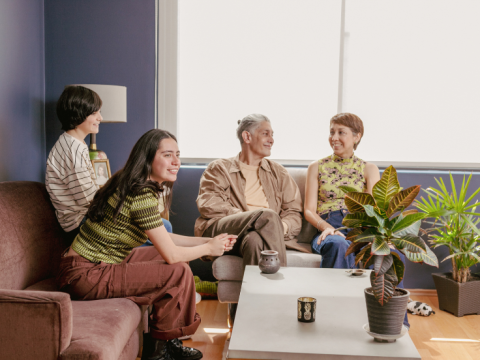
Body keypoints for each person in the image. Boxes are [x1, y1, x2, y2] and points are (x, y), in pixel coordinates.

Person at [55, 129, 237, 360]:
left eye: (177, 155)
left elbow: (164, 238)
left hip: (95, 264)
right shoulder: (140, 193)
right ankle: (158, 352)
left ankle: (165, 342)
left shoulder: (136, 184)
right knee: (177, 269)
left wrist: (208, 241)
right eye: (167, 155)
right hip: (84, 274)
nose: (176, 162)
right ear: (148, 158)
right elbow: (172, 255)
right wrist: (208, 250)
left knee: (171, 263)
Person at [303, 113, 410, 328]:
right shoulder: (316, 167)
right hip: (328, 229)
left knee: (391, 254)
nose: (334, 137)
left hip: (360, 229)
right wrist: (326, 228)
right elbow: (308, 210)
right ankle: (336, 319)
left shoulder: (368, 168)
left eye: (341, 132)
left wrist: (379, 238)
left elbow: (375, 211)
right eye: (332, 131)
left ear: (357, 136)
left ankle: (393, 323)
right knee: (338, 244)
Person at [195, 114, 302, 268]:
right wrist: (253, 219)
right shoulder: (219, 168)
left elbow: (293, 211)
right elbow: (210, 205)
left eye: (272, 135)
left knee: (254, 240)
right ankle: (283, 288)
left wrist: (277, 228)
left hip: (261, 232)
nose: (271, 139)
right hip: (225, 230)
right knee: (267, 215)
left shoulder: (279, 173)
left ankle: (257, 292)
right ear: (247, 136)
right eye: (265, 134)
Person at [45, 86, 102, 243]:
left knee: (157, 226)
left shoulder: (76, 144)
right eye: (94, 113)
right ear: (78, 114)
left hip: (86, 218)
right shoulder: (71, 149)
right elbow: (88, 199)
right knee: (159, 227)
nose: (100, 118)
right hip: (80, 225)